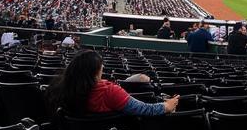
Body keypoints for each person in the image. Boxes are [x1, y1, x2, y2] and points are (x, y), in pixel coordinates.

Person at [49, 50, 178, 118]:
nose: (103, 67)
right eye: (100, 65)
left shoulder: (64, 88)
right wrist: (166, 106)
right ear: (94, 71)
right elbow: (143, 109)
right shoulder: (110, 92)